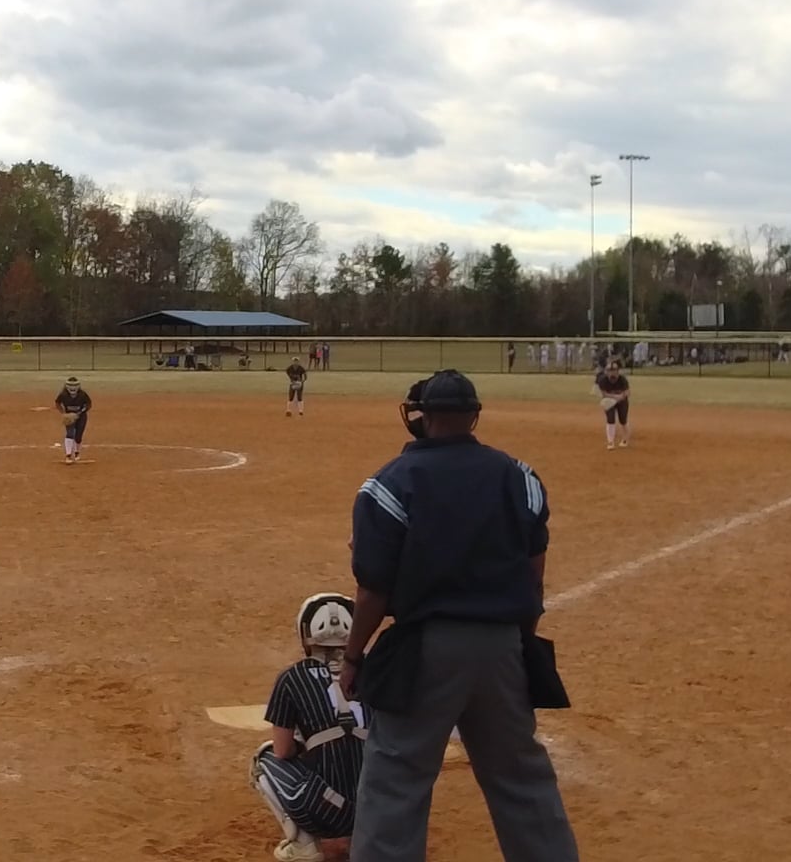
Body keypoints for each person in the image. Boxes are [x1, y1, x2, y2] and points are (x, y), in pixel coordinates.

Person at [340, 370, 578, 862]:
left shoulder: (389, 484)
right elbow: (533, 579)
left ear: (422, 417)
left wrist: (353, 656)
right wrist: (516, 644)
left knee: (396, 782)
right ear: (473, 417)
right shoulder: (520, 477)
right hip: (504, 646)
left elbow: (372, 592)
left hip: (425, 652)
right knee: (522, 779)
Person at [251, 593, 367, 862]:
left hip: (325, 813)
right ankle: (370, 840)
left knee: (265, 759)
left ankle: (303, 844)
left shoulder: (292, 678)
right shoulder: (374, 672)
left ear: (306, 634)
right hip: (377, 809)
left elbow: (282, 750)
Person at [593, 359, 632, 449]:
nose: (611, 373)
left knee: (623, 420)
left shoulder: (622, 379)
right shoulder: (603, 380)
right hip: (608, 400)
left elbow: (627, 392)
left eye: (614, 370)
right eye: (609, 371)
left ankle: (625, 439)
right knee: (610, 419)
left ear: (617, 371)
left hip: (622, 401)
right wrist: (615, 397)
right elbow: (603, 393)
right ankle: (610, 442)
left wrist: (620, 398)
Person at [54, 376, 91, 464]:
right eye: (71, 385)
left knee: (78, 436)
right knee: (70, 433)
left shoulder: (82, 394)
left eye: (75, 385)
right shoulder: (63, 395)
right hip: (69, 417)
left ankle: (77, 452)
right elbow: (57, 403)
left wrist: (79, 413)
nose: (73, 388)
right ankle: (68, 455)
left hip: (81, 417)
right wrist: (64, 413)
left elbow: (88, 404)